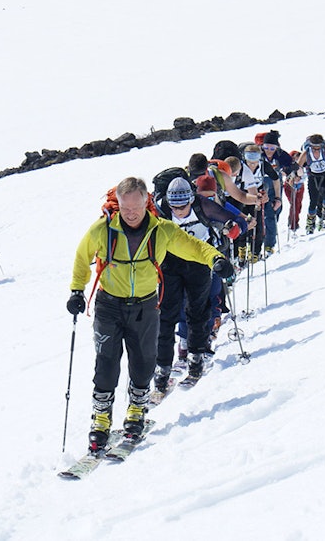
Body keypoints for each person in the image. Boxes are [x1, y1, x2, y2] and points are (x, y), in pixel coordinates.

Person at [67, 177, 235, 454]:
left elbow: (193, 246)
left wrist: (215, 259)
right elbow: (82, 257)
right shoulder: (103, 230)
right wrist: (76, 290)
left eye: (136, 207)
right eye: (125, 208)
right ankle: (101, 419)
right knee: (107, 361)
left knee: (143, 360)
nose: (131, 213)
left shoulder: (162, 231)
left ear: (146, 202)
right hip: (109, 304)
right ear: (118, 204)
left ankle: (136, 410)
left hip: (145, 305)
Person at [153, 177, 248, 390]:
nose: (178, 211)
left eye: (183, 205)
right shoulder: (160, 210)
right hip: (170, 264)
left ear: (191, 199)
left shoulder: (202, 205)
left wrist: (232, 229)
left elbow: (235, 221)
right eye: (174, 206)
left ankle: (196, 356)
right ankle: (165, 364)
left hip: (198, 260)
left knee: (197, 309)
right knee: (167, 313)